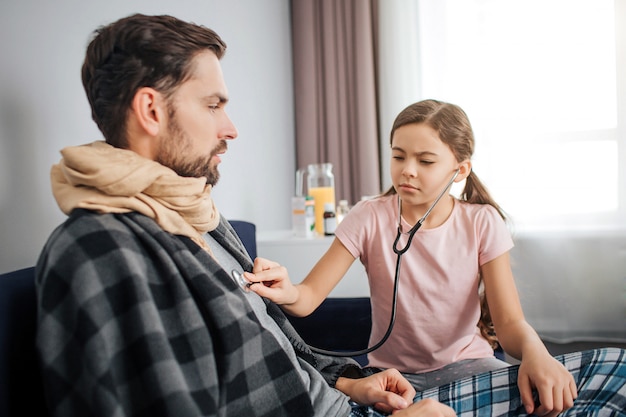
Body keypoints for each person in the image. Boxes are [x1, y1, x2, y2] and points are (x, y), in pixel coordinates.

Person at [34, 13, 457, 417]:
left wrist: (348, 382)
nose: (231, 128)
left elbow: (283, 349)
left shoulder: (204, 219)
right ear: (151, 111)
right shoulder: (98, 250)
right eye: (213, 105)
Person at [249, 99, 626, 416]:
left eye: (425, 161)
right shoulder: (368, 216)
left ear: (459, 170)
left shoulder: (482, 222)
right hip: (393, 379)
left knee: (589, 382)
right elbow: (308, 296)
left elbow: (510, 324)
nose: (407, 170)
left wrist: (536, 352)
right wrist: (287, 291)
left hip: (471, 369)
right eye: (398, 156)